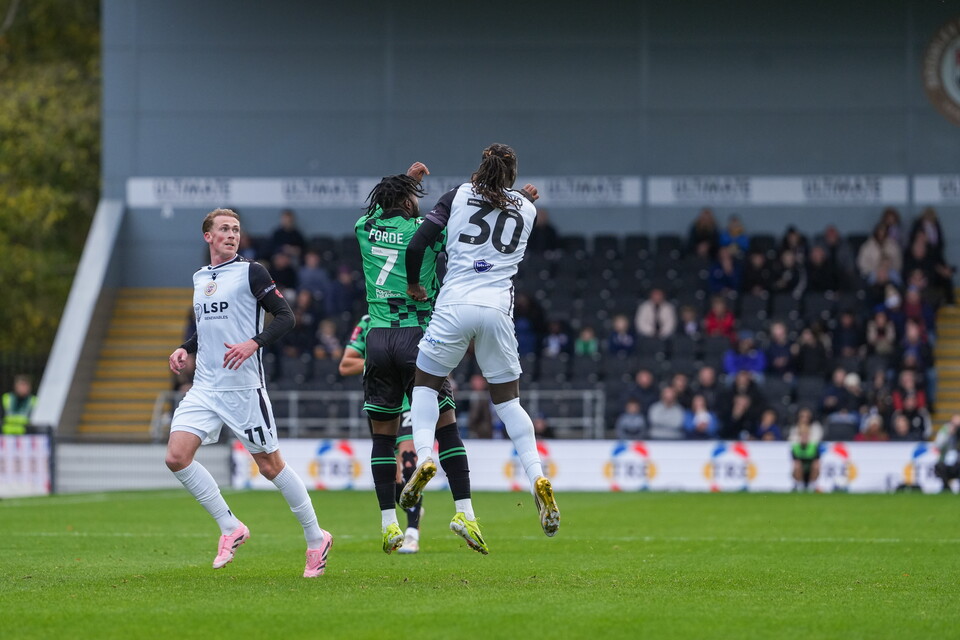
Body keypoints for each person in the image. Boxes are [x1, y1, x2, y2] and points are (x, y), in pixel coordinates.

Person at [401, 143, 560, 542]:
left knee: (425, 385)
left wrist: (416, 284)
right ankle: (537, 476)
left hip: (455, 304)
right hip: (496, 310)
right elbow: (504, 205)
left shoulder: (455, 196)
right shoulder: (528, 209)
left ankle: (423, 458)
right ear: (513, 176)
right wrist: (522, 196)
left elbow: (417, 244)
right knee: (508, 403)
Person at [165, 208, 332, 578]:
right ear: (207, 236)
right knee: (176, 457)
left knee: (271, 466)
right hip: (206, 387)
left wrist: (253, 344)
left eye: (236, 229)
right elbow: (208, 327)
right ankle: (230, 527)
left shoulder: (252, 271)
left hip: (242, 387)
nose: (231, 234)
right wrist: (186, 348)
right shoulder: (200, 278)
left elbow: (286, 316)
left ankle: (316, 538)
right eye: (224, 229)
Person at [355, 163, 477, 554]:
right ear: (407, 202)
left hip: (377, 339)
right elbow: (446, 233)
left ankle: (389, 524)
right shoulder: (421, 231)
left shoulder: (364, 229)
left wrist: (409, 180)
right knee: (446, 425)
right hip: (418, 337)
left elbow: (379, 212)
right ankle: (464, 511)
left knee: (382, 438)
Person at [338, 313, 426, 554]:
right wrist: (380, 360)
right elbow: (345, 364)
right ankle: (411, 510)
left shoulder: (416, 316)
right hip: (382, 398)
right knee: (394, 473)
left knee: (410, 463)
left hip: (409, 401)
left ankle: (411, 533)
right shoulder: (368, 321)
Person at [791, 423, 821, 492]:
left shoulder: (813, 447)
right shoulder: (795, 448)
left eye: (806, 436)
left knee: (815, 465)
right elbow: (795, 462)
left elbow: (817, 461)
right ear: (800, 437)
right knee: (798, 465)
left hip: (811, 472)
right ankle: (799, 485)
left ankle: (812, 485)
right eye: (802, 436)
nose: (804, 438)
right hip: (799, 472)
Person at [933, 415, 960, 493]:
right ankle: (946, 487)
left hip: (957, 462)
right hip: (945, 462)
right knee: (939, 466)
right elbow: (938, 445)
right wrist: (948, 434)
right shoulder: (945, 430)